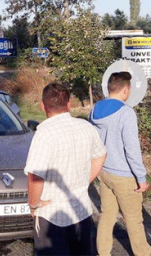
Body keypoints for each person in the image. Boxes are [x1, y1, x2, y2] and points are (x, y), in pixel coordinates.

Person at [24, 83, 106, 255]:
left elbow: (35, 176)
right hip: (81, 210)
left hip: (52, 216)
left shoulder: (44, 134)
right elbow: (100, 155)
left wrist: (33, 204)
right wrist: (85, 180)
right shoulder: (86, 127)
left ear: (43, 106)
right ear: (68, 104)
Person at [89, 71, 151, 256]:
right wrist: (141, 178)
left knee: (107, 215)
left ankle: (103, 252)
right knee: (134, 220)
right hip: (124, 176)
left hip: (105, 171)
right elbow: (131, 149)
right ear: (125, 90)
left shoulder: (95, 109)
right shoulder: (126, 112)